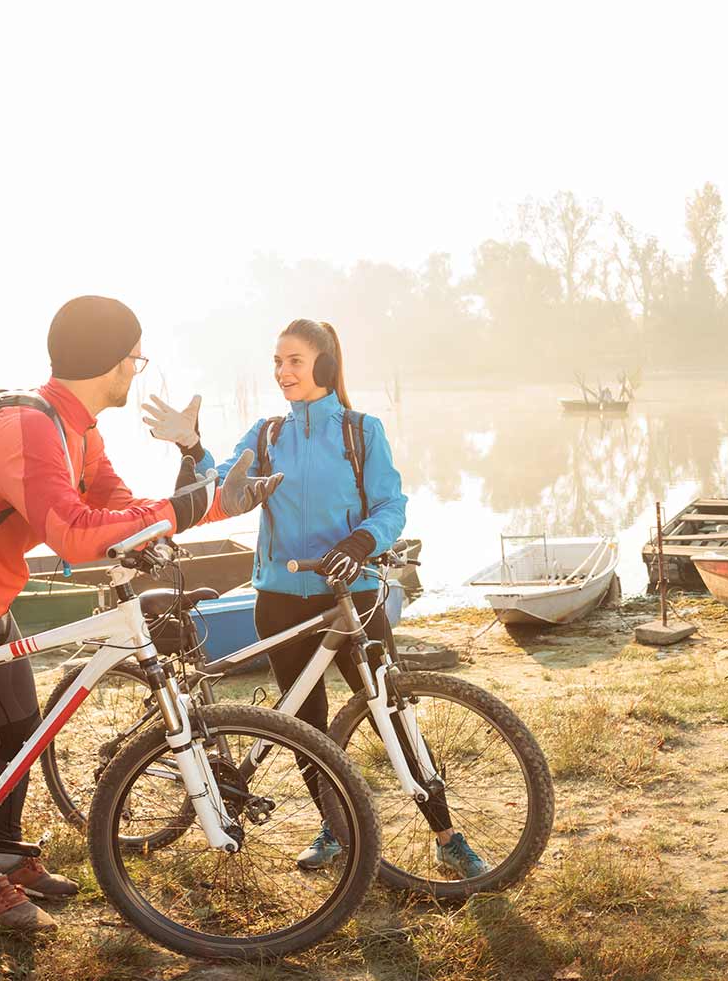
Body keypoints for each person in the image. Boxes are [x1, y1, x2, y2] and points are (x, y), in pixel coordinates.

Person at [0, 295, 281, 933]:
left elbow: (116, 504)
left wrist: (171, 521)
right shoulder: (28, 425)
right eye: (134, 357)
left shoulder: (79, 429)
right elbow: (72, 534)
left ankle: (7, 854)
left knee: (20, 734)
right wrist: (194, 508)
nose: (136, 370)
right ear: (109, 360)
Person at [141, 319, 490, 879]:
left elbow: (391, 505)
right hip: (279, 599)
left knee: (390, 716)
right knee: (307, 725)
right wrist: (191, 444)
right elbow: (224, 495)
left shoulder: (360, 431)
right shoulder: (266, 434)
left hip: (355, 596)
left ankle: (446, 835)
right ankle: (334, 827)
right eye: (277, 361)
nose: (283, 372)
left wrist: (361, 542)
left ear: (324, 364)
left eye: (295, 361)